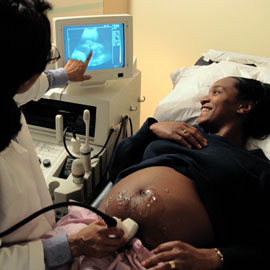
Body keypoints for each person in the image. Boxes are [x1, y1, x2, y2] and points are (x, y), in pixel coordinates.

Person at [0, 1, 126, 269]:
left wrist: (64, 75)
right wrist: (72, 245)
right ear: (23, 73)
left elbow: (27, 89)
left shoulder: (8, 92)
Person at [99, 76, 270, 269]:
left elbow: (265, 245)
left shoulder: (256, 166)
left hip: (159, 262)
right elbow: (116, 170)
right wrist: (151, 128)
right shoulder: (173, 134)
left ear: (244, 107)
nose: (203, 100)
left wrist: (215, 257)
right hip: (94, 239)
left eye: (217, 92)